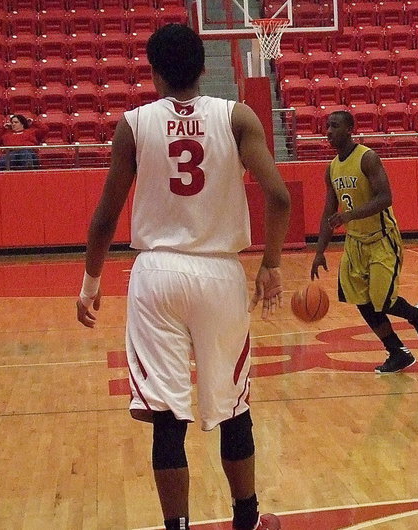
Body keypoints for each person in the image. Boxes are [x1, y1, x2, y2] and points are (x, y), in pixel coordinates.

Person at [75, 24, 290, 530]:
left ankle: (177, 527)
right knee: (233, 406)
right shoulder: (237, 117)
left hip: (156, 275)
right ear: (201, 66)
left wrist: (90, 281)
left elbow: (105, 217)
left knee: (167, 418)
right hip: (219, 273)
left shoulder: (133, 124)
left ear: (153, 73)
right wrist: (273, 265)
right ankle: (248, 520)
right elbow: (279, 197)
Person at [311, 111, 418, 373]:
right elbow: (328, 212)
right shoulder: (332, 168)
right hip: (355, 243)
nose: (329, 131)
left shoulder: (367, 158)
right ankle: (397, 351)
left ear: (349, 129)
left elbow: (385, 197)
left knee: (383, 300)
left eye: (334, 126)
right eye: (327, 126)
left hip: (382, 239)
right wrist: (319, 251)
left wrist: (349, 215)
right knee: (361, 300)